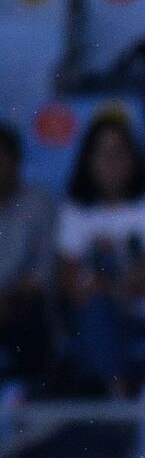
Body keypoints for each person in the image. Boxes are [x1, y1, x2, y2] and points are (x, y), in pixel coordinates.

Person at [56, 114, 145, 393]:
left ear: (133, 157)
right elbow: (68, 278)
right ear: (88, 160)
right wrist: (96, 290)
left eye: (119, 152)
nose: (111, 162)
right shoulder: (74, 210)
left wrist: (111, 287)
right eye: (103, 153)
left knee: (98, 310)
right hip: (94, 314)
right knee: (94, 311)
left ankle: (111, 397)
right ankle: (118, 393)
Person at [0, 124, 57, 382]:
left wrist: (9, 297)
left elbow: (44, 271)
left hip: (20, 302)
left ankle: (29, 403)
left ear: (17, 160)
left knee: (31, 315)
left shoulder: (40, 202)